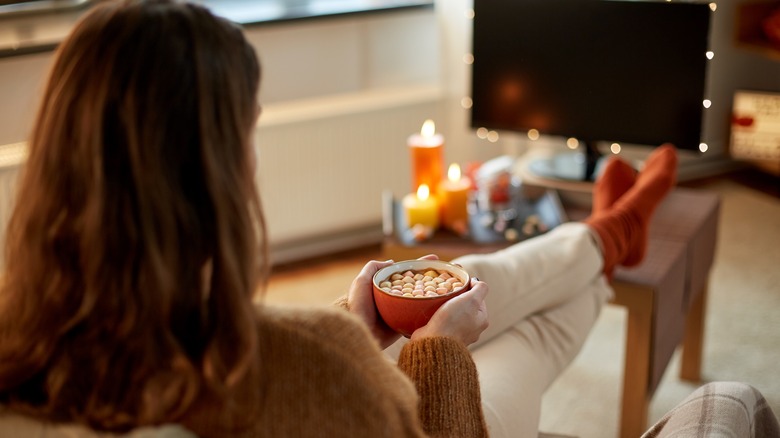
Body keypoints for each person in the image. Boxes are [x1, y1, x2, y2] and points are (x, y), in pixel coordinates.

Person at [0, 1, 775, 437]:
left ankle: (604, 240)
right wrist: (433, 352)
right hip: (437, 420)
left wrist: (354, 330)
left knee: (500, 292)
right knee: (538, 317)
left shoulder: (17, 362)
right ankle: (611, 235)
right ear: (209, 178)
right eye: (247, 136)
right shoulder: (309, 368)